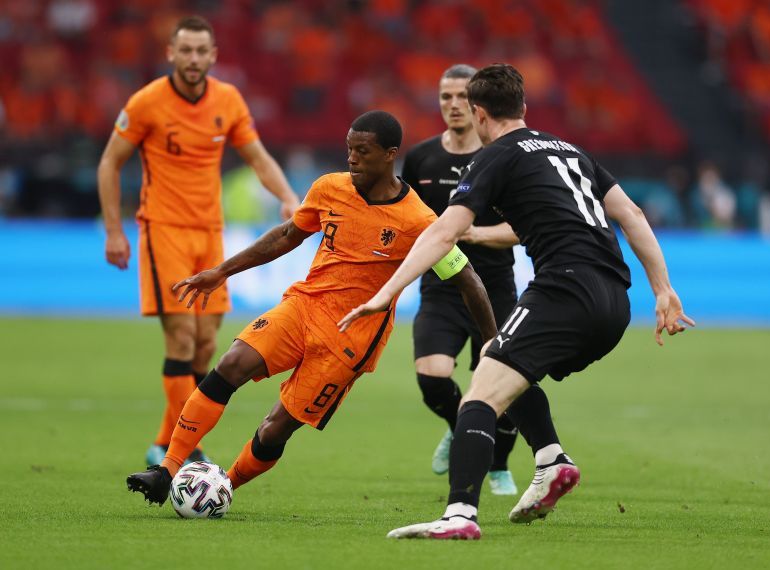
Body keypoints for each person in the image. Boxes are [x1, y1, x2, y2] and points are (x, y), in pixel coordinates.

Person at [339, 64, 695, 540]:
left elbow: (444, 232)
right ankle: (550, 459)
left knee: (480, 394)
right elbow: (629, 214)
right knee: (499, 360)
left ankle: (459, 515)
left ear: (478, 113)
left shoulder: (494, 157)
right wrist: (663, 289)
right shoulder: (570, 150)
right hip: (616, 299)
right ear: (524, 108)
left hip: (564, 290)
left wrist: (387, 292)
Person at [125, 110, 498, 505]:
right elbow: (287, 235)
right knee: (232, 363)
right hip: (304, 306)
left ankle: (223, 488)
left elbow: (468, 279)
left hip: (351, 338)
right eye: (349, 149)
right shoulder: (329, 188)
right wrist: (221, 271)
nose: (351, 158)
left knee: (274, 429)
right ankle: (166, 470)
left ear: (389, 155)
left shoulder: (419, 221)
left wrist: (492, 342)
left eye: (362, 151)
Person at [97, 16, 299, 467]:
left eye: (200, 51)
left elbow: (257, 157)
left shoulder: (227, 100)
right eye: (184, 50)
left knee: (208, 343)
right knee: (182, 337)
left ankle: (164, 440)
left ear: (213, 56)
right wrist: (114, 231)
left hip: (209, 233)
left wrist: (287, 197)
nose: (192, 59)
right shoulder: (148, 102)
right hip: (162, 230)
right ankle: (184, 450)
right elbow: (110, 163)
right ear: (170, 53)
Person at [401, 64, 520, 495]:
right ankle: (461, 426)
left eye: (460, 98)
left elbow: (525, 229)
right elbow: (406, 217)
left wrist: (472, 233)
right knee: (432, 376)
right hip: (442, 286)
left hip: (496, 287)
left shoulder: (505, 157)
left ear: (478, 106)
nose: (452, 106)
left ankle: (500, 467)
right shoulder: (421, 158)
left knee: (507, 385)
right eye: (444, 97)